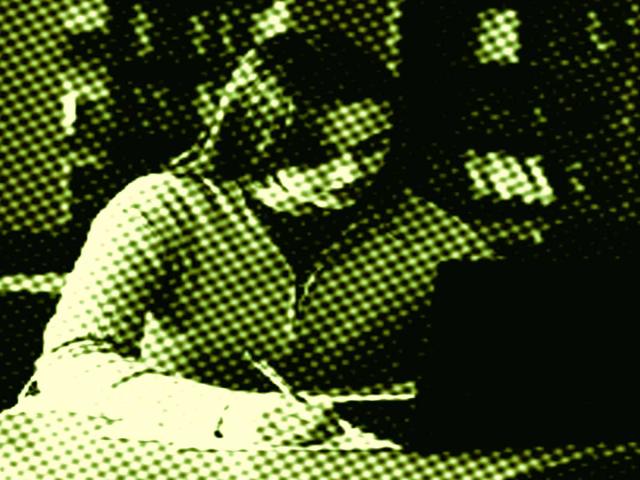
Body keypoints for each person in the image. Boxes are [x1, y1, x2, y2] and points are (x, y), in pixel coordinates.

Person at [19, 31, 494, 446]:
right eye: (317, 153)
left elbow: (499, 360)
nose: (350, 173)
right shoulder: (159, 208)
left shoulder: (428, 229)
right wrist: (226, 412)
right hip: (164, 453)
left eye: (371, 146)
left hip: (337, 457)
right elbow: (71, 363)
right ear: (254, 139)